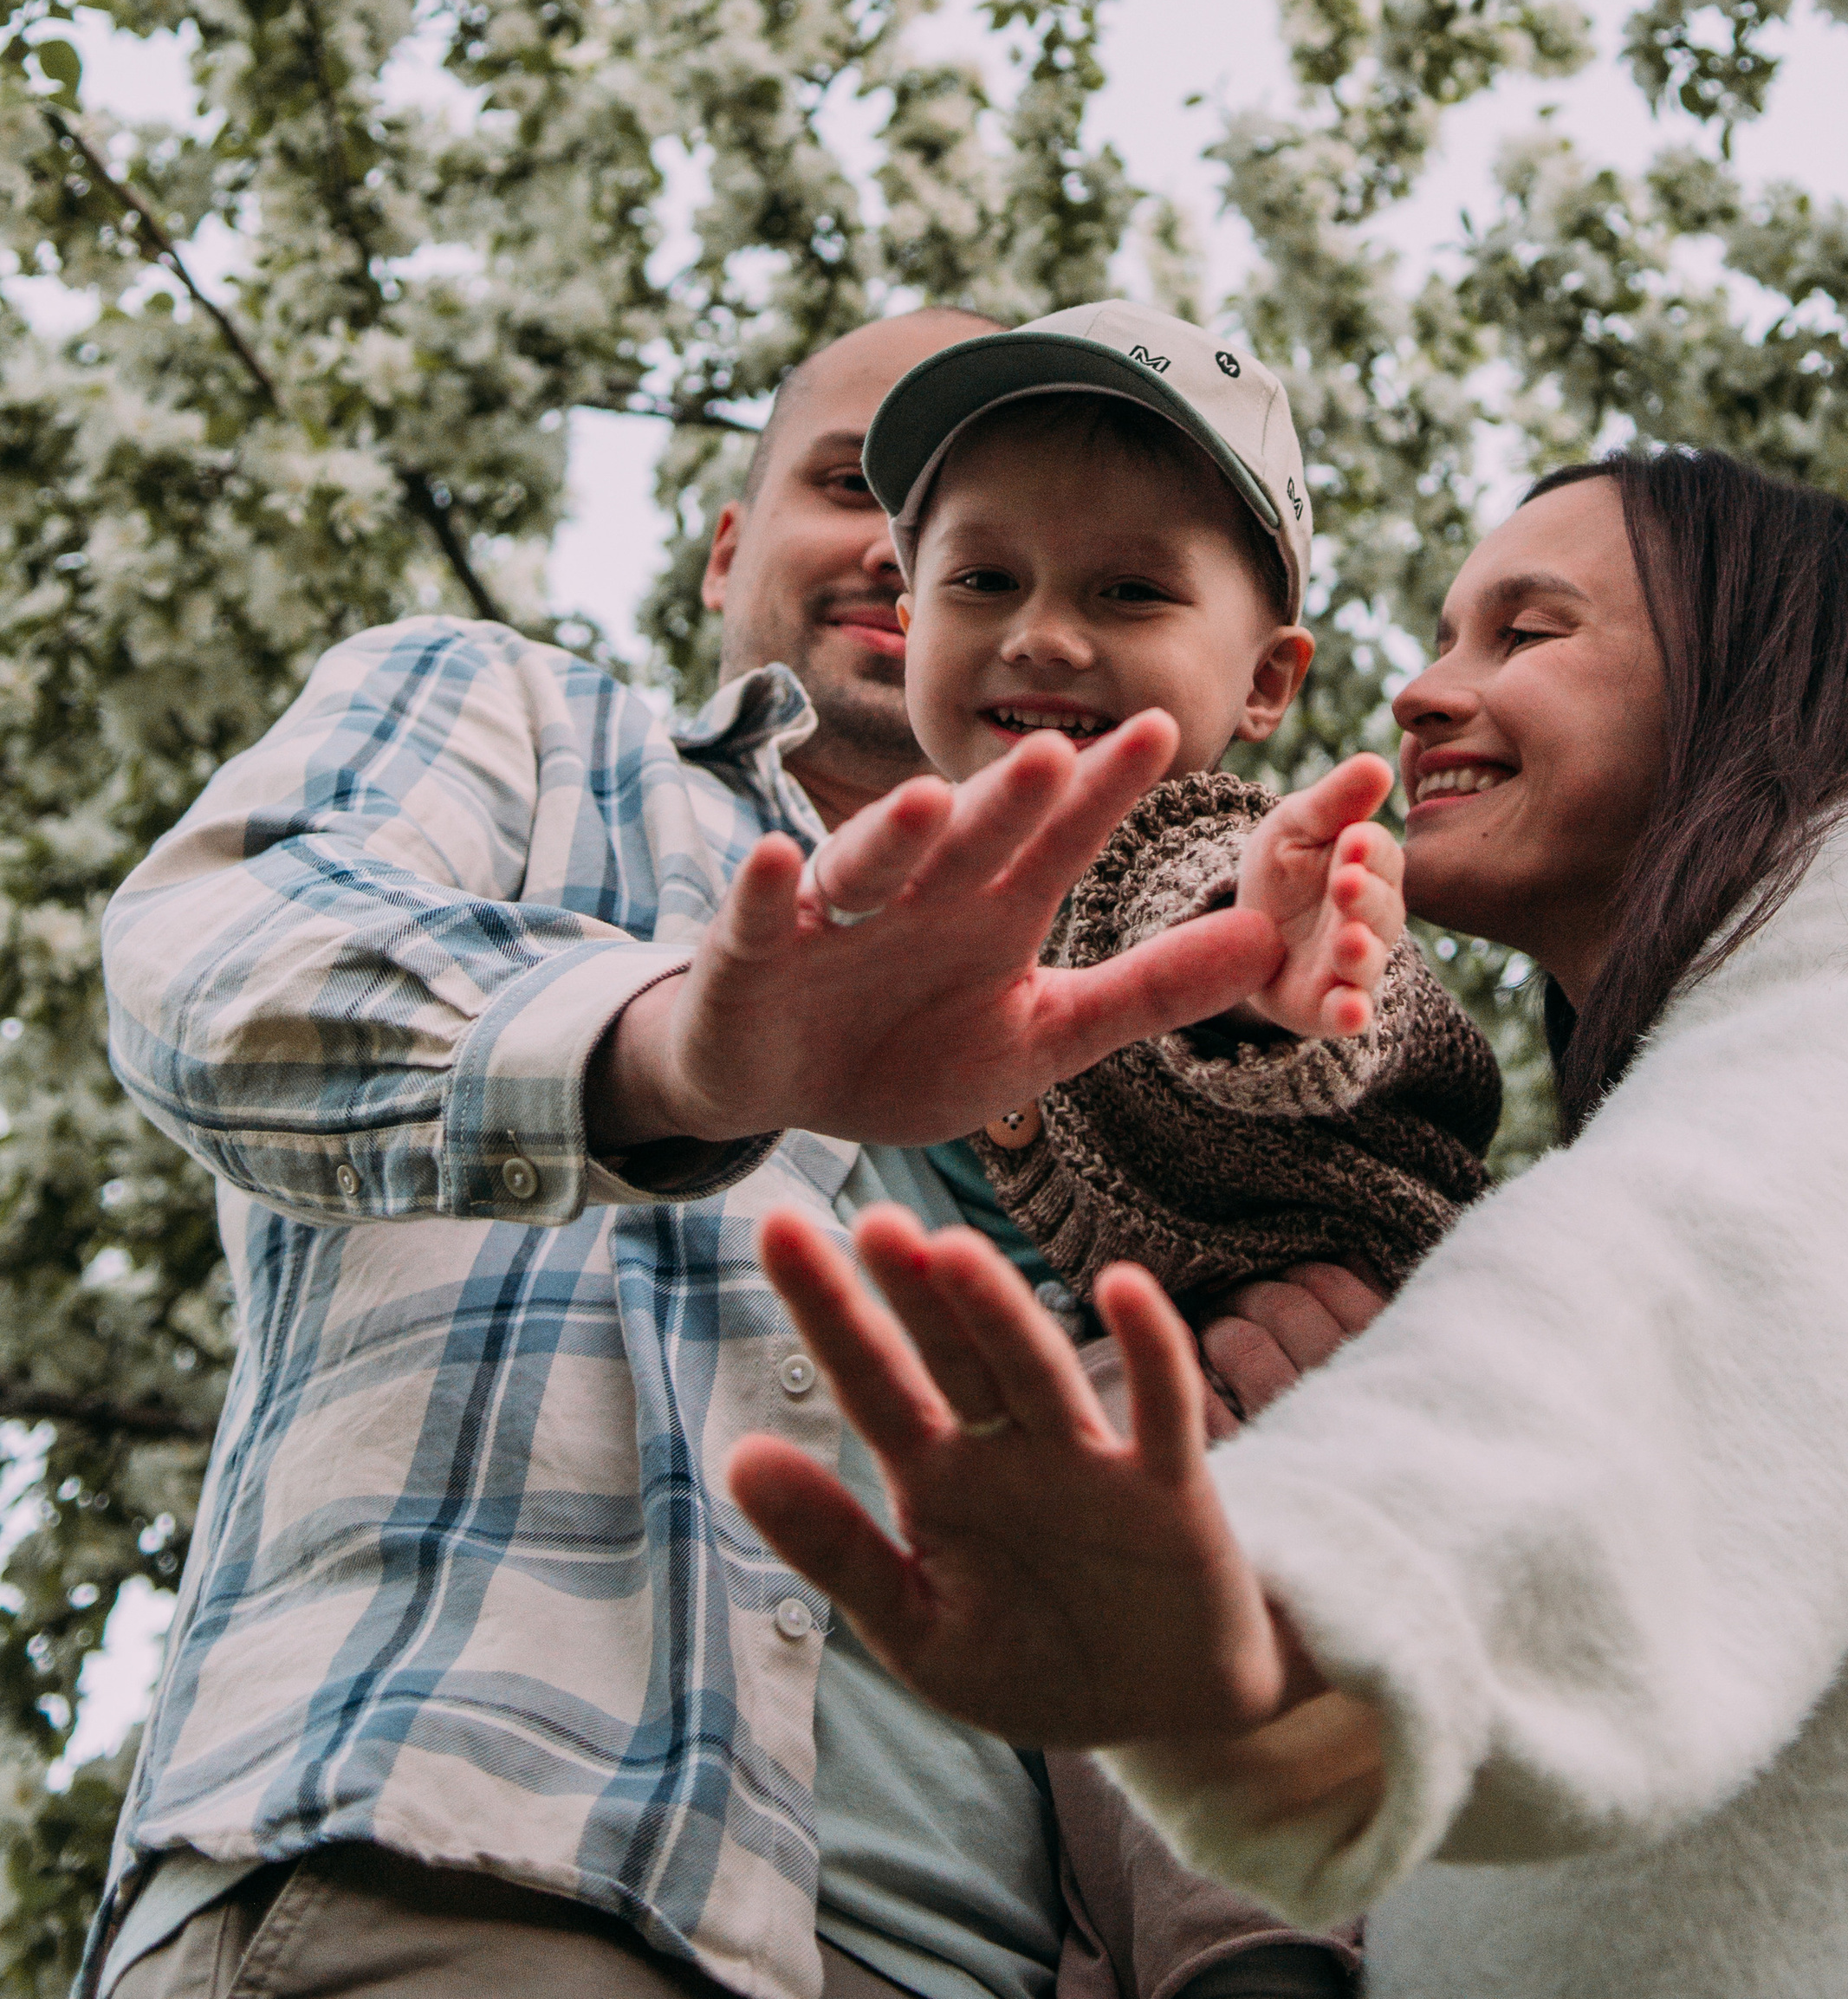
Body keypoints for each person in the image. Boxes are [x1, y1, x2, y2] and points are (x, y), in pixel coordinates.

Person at [732, 448, 1848, 1999]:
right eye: (1444, 636)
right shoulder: (1647, 1119)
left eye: (1527, 631)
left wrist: (1303, 1562)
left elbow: (1705, 1267)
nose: (1424, 692)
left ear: (1752, 662)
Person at [86, 309, 1345, 1999]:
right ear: (725, 551)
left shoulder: (1174, 1008)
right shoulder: (525, 725)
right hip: (499, 1872)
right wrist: (667, 1053)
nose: (912, 558)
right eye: (864, 494)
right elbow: (223, 960)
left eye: (1110, 574)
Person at [865, 302, 1500, 1314]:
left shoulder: (1204, 845)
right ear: (910, 626)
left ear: (1266, 680)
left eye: (1129, 592)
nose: (1041, 636)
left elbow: (1216, 909)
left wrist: (1254, 964)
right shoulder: (887, 893)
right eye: (983, 579)